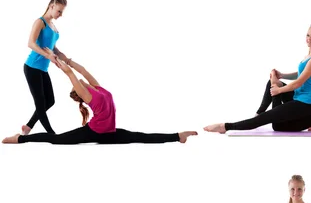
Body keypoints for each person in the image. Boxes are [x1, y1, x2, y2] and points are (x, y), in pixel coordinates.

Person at [4, 58, 197, 144]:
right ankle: (20, 138)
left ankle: (178, 136)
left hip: (109, 133)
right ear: (78, 93)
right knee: (56, 140)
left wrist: (68, 59)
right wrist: (59, 64)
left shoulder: (96, 87)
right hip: (93, 132)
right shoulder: (89, 96)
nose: (78, 84)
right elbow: (72, 75)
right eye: (75, 87)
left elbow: (83, 72)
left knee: (141, 136)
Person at [203, 24, 311, 133]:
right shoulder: (310, 55)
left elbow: (298, 83)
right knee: (271, 84)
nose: (309, 38)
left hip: (304, 104)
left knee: (270, 120)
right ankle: (259, 113)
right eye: (308, 35)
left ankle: (225, 126)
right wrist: (282, 75)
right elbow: (301, 74)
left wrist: (278, 90)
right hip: (297, 97)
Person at [20, 0, 69, 136]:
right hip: (32, 67)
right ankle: (51, 134)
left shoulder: (53, 26)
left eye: (62, 12)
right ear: (51, 6)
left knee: (50, 100)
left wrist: (65, 59)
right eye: (59, 11)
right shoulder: (40, 22)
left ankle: (28, 126)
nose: (61, 15)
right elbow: (31, 43)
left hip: (42, 69)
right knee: (41, 104)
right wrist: (48, 55)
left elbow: (53, 48)